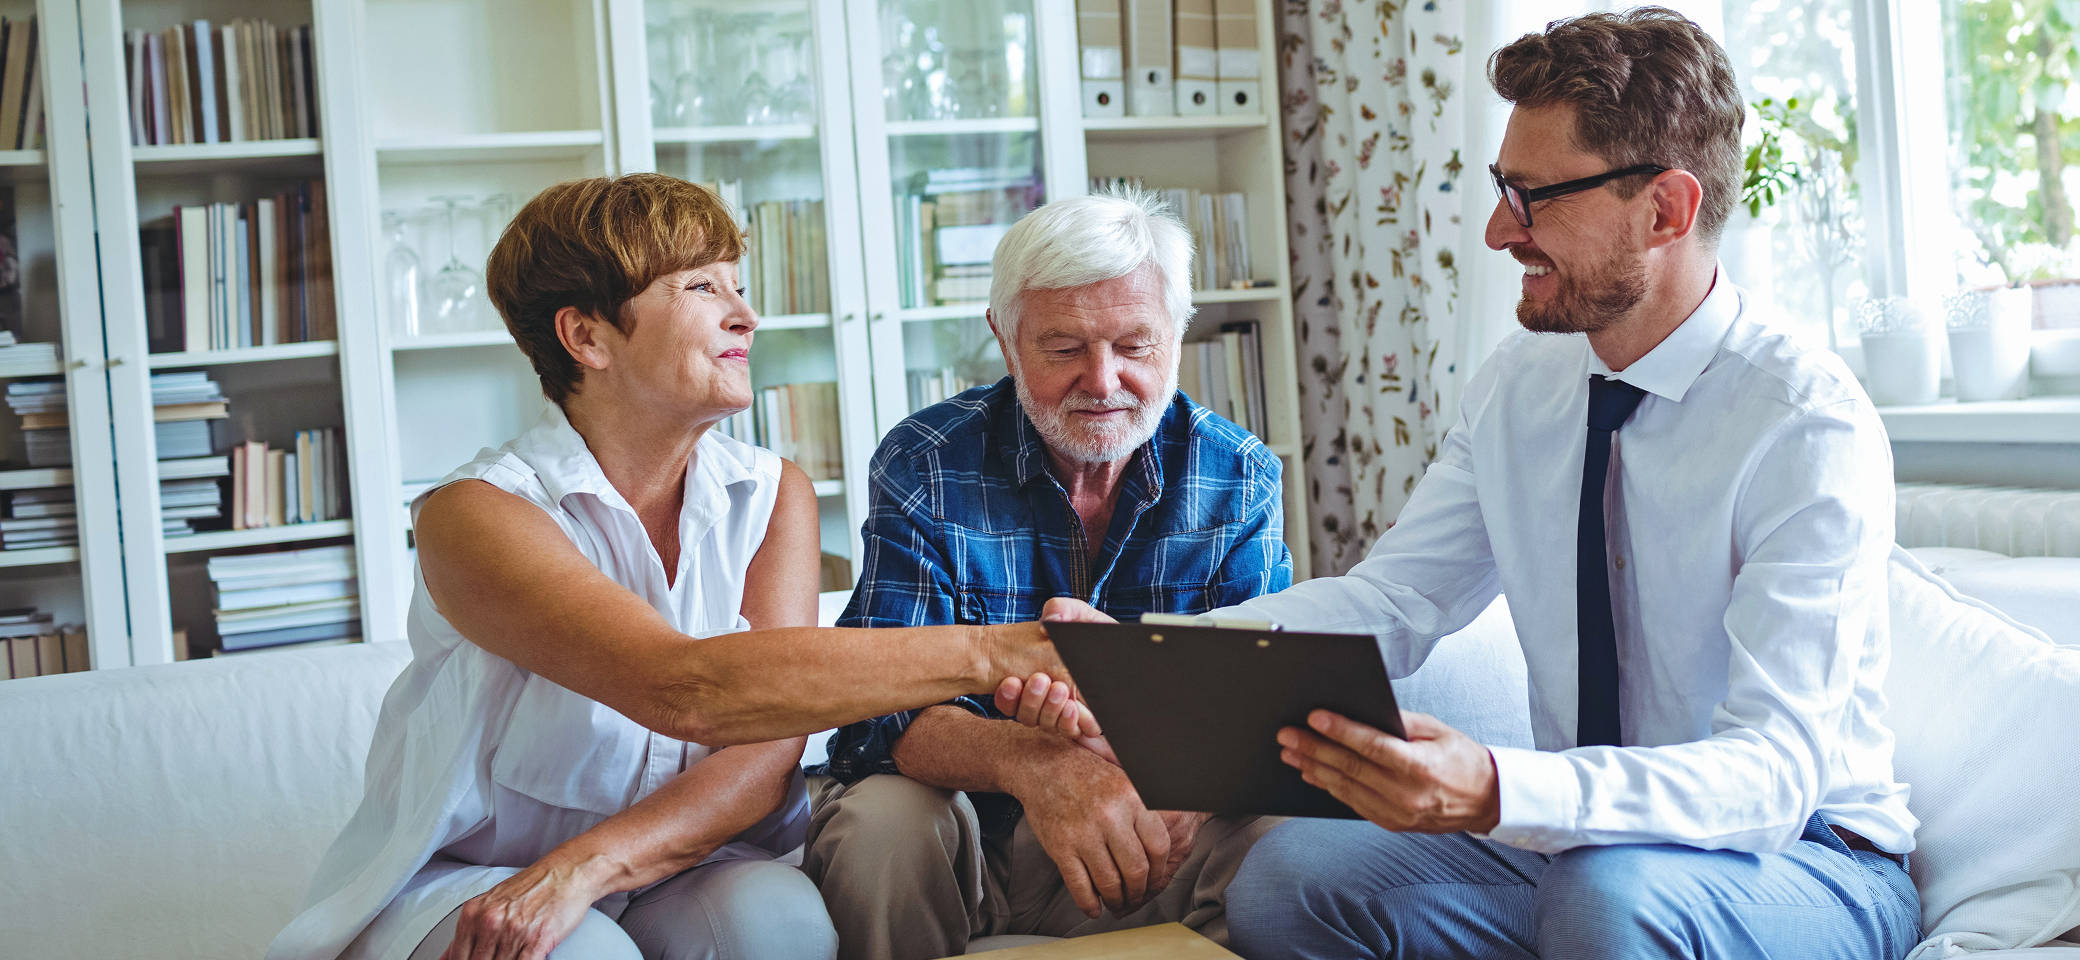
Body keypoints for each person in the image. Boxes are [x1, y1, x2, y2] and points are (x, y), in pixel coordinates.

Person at [1165, 9, 1921, 960]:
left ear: (1665, 210)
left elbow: (1774, 777)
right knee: (1287, 880)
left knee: (1605, 902)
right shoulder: (1520, 385)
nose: (1497, 231)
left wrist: (1498, 788)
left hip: (1808, 860)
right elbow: (1392, 601)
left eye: (1534, 197)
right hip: (1583, 852)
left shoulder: (1804, 424)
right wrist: (1159, 661)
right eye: (1502, 189)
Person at [266, 174, 1083, 960]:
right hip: (480, 876)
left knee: (781, 924)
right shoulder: (474, 514)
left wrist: (587, 868)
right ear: (587, 337)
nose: (747, 316)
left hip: (678, 861)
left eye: (738, 286)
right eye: (700, 287)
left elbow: (762, 754)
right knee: (580, 951)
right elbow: (684, 688)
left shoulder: (774, 495)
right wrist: (1008, 650)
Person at [802, 190, 1292, 960]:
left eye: (1134, 345)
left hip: (1147, 831)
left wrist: (1176, 787)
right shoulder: (928, 462)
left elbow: (1259, 703)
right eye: (1063, 349)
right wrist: (1031, 761)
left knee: (1285, 836)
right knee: (882, 824)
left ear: (1176, 334)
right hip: (970, 834)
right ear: (1005, 340)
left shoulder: (1238, 474)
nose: (1102, 381)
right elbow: (877, 713)